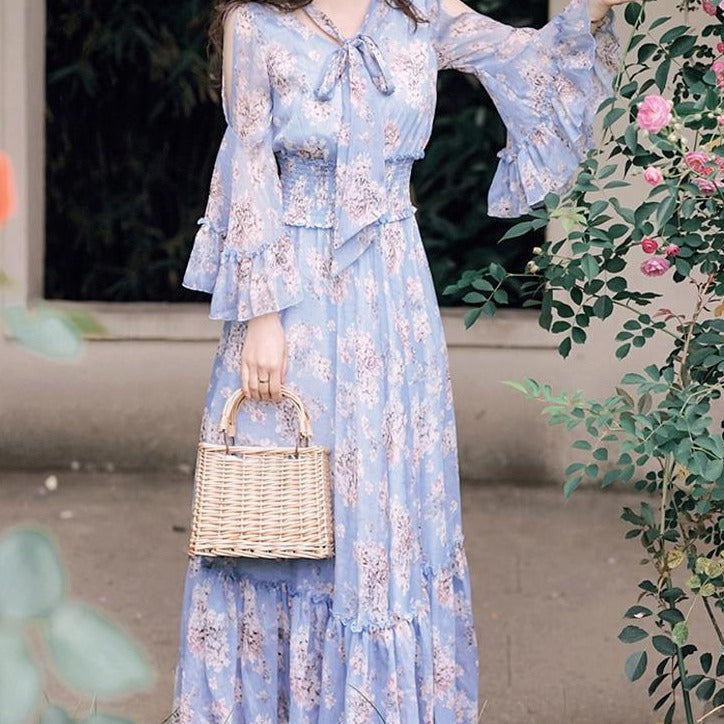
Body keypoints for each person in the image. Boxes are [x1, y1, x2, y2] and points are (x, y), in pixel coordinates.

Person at [172, 0, 624, 720]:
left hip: (392, 297)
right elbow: (248, 164)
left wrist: (593, 10)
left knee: (387, 515)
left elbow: (532, 62)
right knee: (288, 509)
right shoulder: (255, 25)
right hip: (292, 298)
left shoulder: (422, 13)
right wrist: (260, 317)